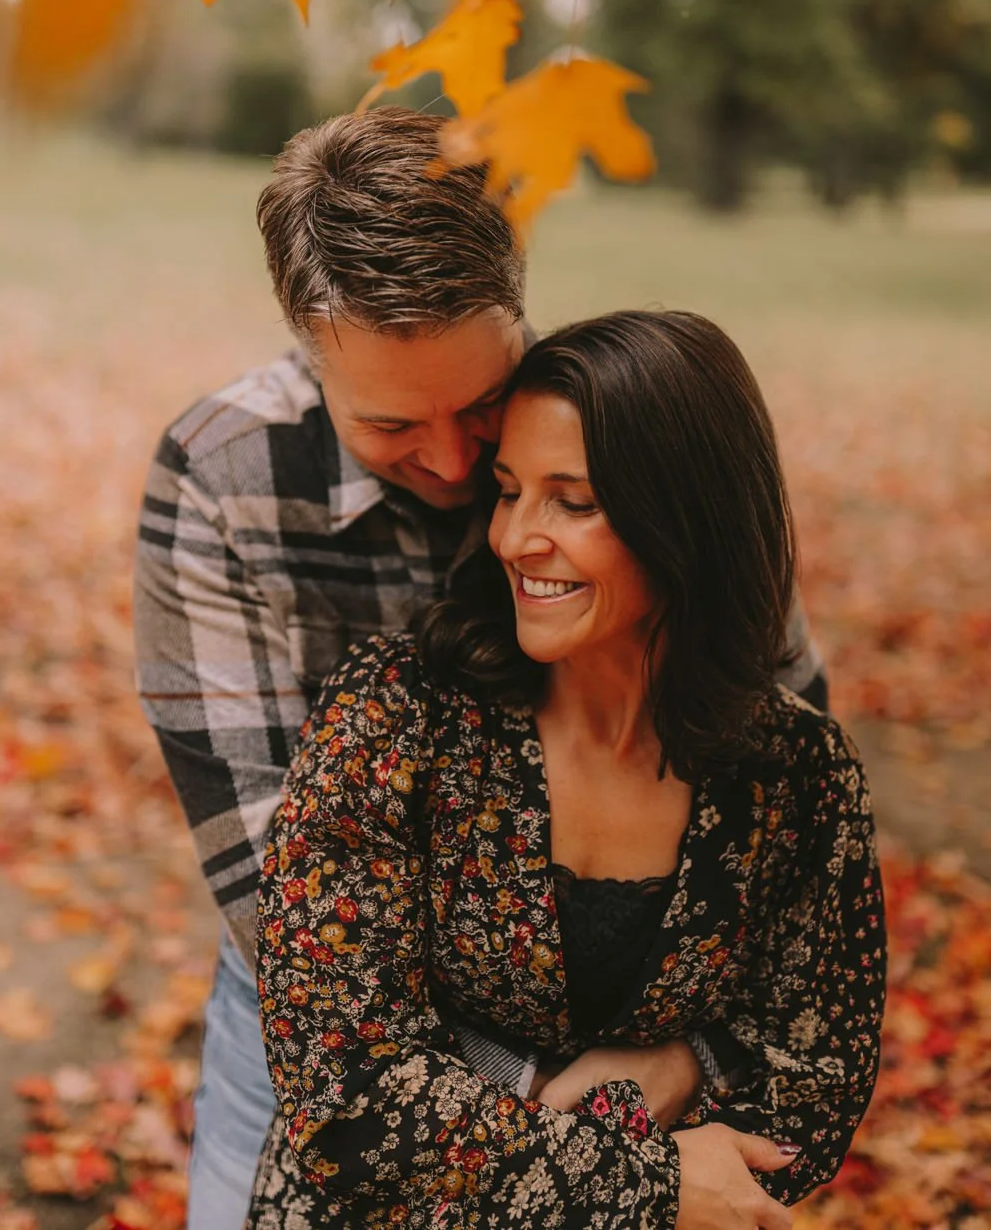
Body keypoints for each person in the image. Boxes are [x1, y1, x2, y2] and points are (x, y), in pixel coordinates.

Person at [133, 112, 827, 1229]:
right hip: (336, 1055)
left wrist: (688, 1053)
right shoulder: (222, 484)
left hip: (637, 1020)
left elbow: (781, 774)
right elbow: (280, 900)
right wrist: (569, 1125)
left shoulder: (641, 439)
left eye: (481, 406)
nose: (457, 466)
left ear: (514, 304)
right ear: (308, 346)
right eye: (393, 423)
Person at [245, 311, 885, 1230]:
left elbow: (815, 1079)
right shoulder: (398, 714)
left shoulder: (795, 771)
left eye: (572, 502)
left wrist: (689, 1064)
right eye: (508, 491)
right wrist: (652, 1183)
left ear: (688, 519)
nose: (514, 539)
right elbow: (348, 1098)